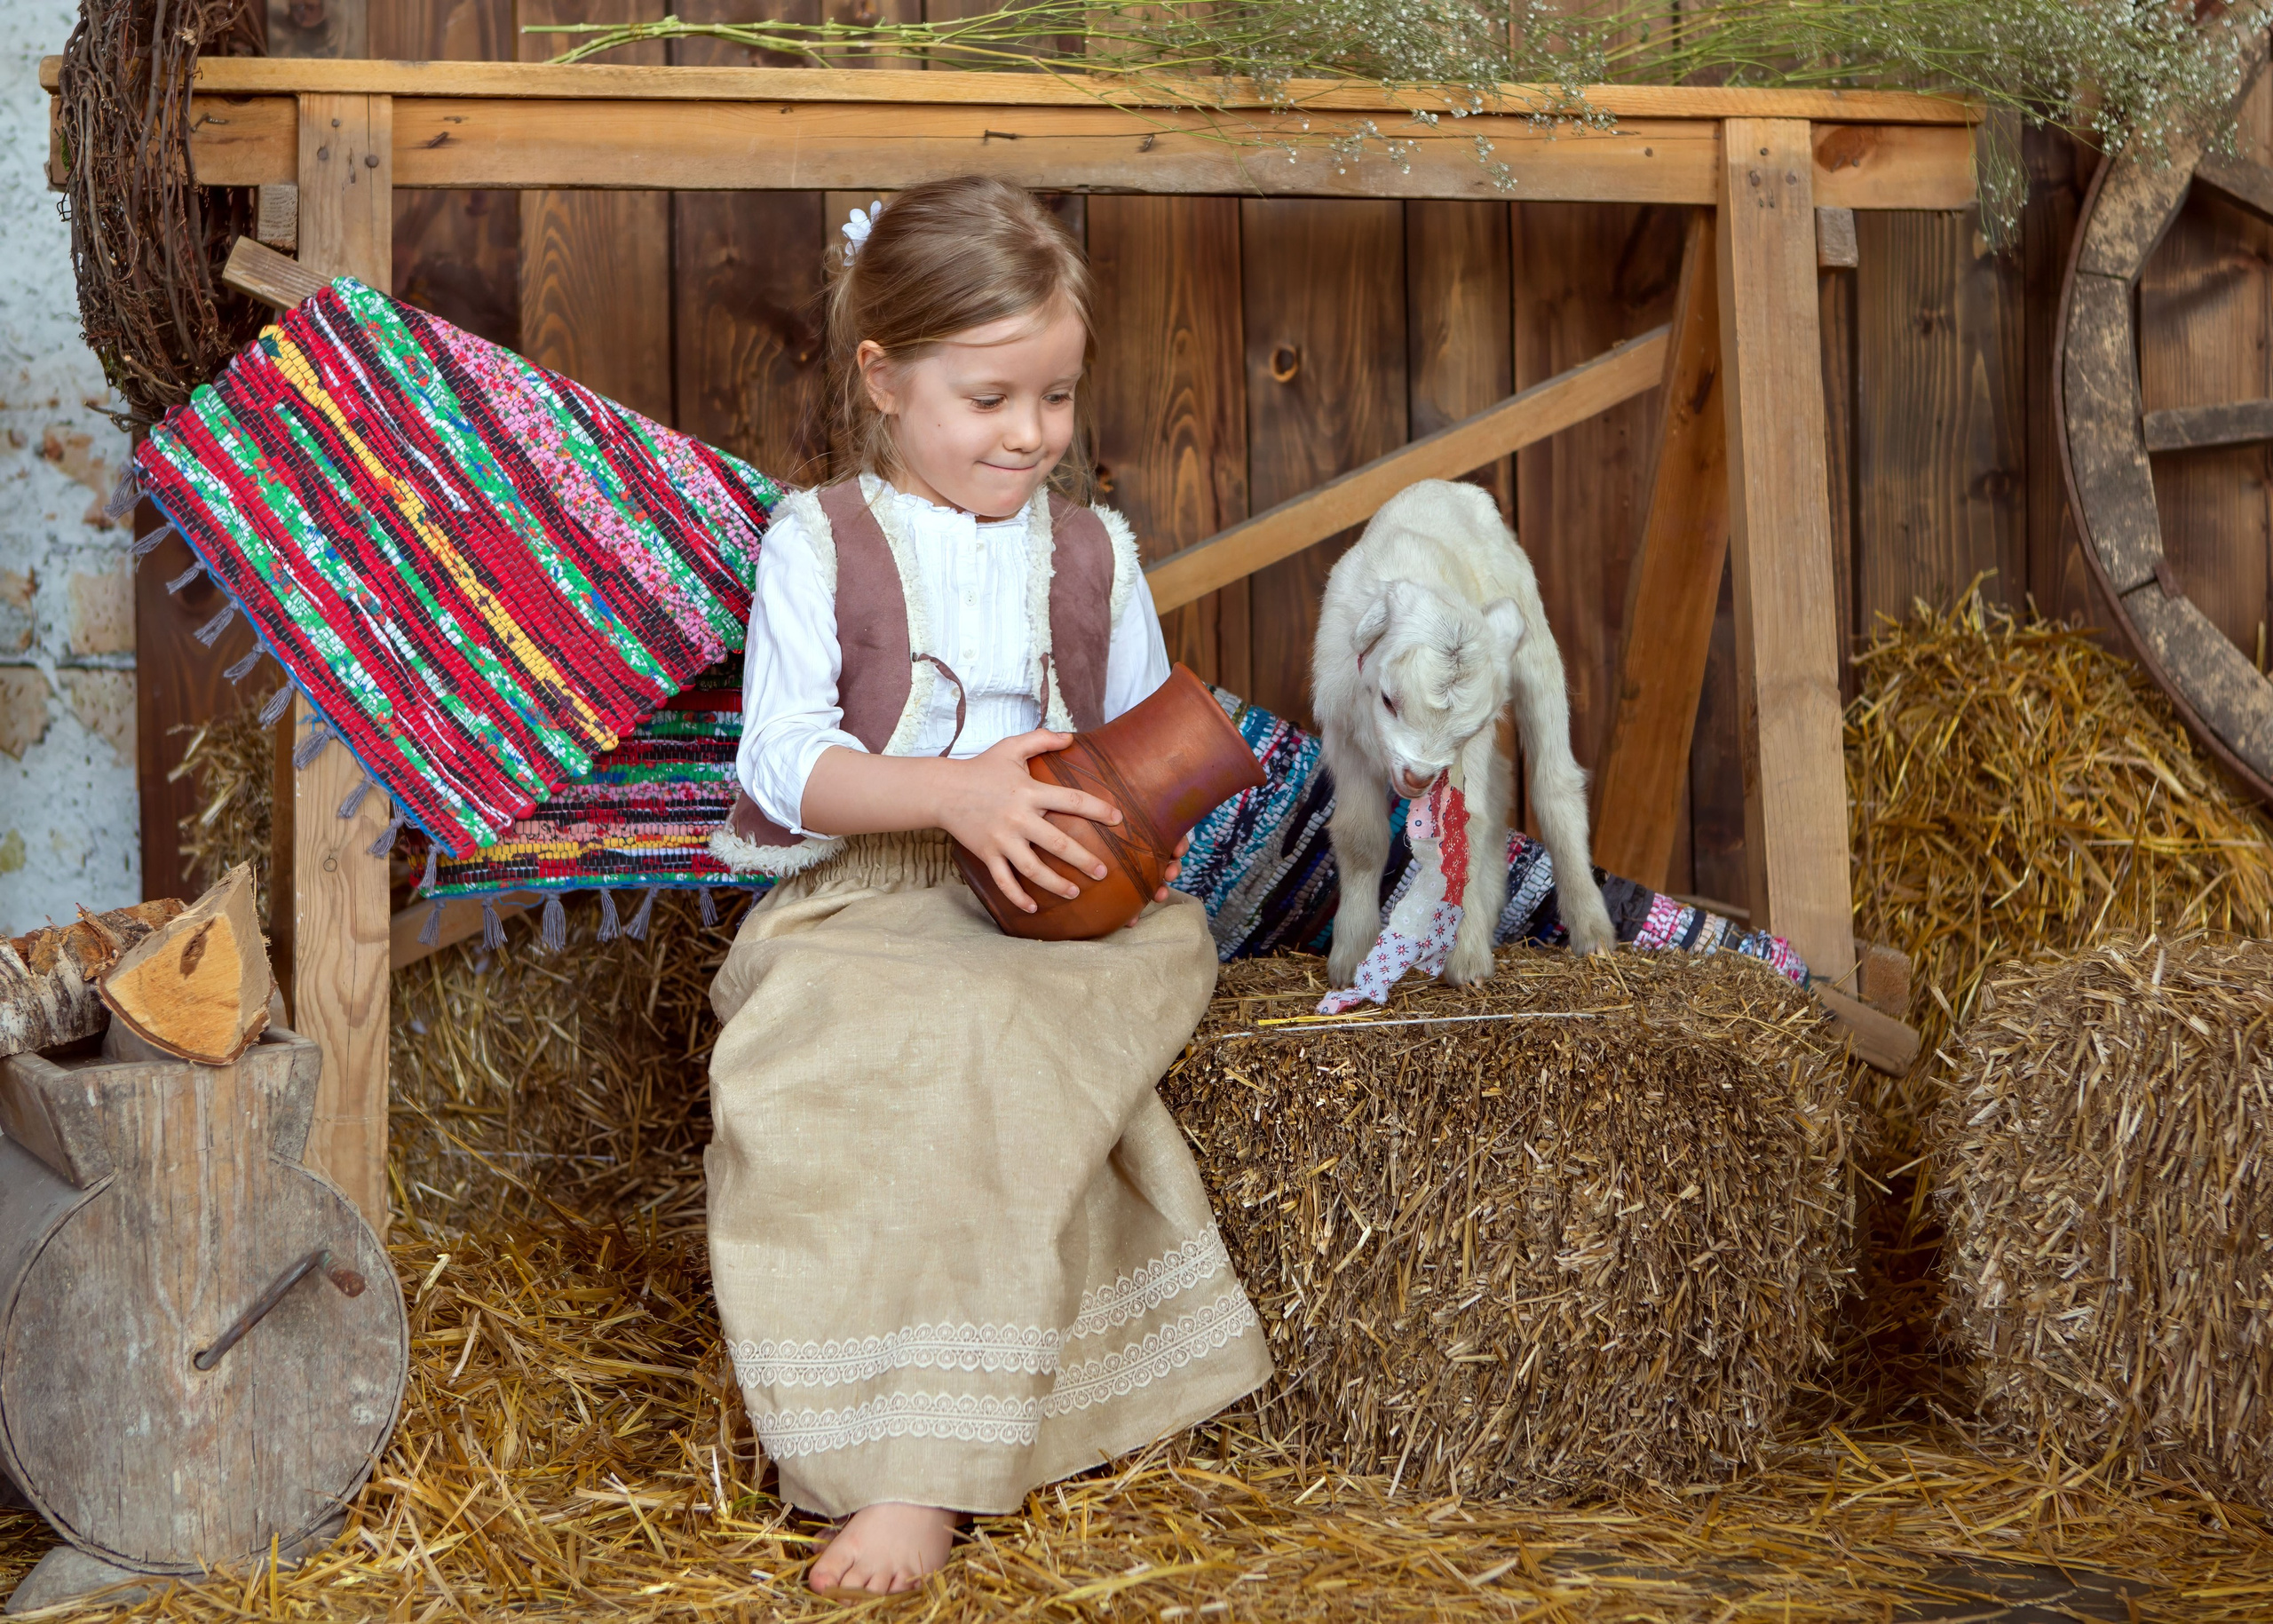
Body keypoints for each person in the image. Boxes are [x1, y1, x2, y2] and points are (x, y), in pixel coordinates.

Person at [704, 175, 1271, 1597]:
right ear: (885, 379)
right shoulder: (817, 542)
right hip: (870, 894)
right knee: (853, 1048)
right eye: (991, 397)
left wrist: (1130, 825)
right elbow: (781, 764)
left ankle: (947, 1460)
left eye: (1059, 397)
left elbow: (1143, 732)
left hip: (1069, 908)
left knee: (1006, 1042)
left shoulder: (1091, 553)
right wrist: (953, 790)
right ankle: (903, 1447)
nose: (1031, 434)